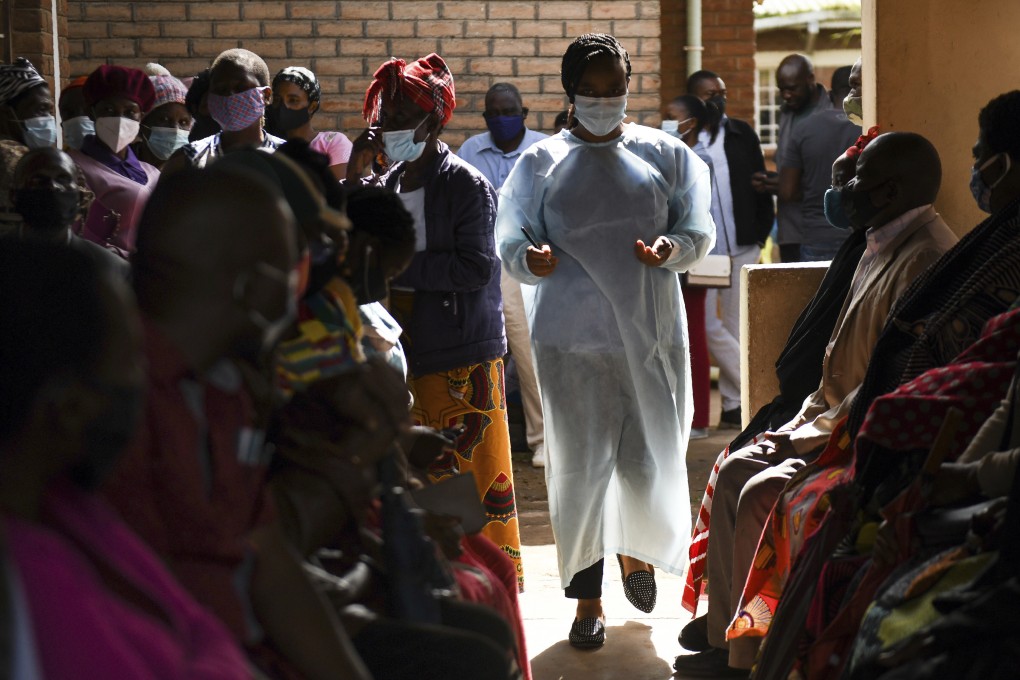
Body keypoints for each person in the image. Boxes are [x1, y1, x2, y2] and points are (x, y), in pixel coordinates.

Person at [674, 131, 958, 678]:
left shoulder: (924, 257)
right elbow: (836, 362)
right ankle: (722, 638)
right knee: (735, 468)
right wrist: (802, 420)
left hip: (860, 435)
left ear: (890, 189)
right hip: (824, 418)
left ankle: (748, 656)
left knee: (760, 492)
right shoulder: (880, 242)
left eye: (856, 177)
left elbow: (888, 378)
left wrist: (808, 433)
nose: (845, 187)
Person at [102, 165, 373, 680]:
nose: (300, 285)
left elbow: (270, 562)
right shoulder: (117, 411)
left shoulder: (222, 388)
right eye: (287, 266)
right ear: (252, 286)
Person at [496, 33, 714, 648]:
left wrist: (673, 248)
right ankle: (585, 601)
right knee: (581, 472)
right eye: (589, 91)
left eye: (612, 87)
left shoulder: (665, 156)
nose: (602, 99)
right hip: (571, 341)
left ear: (627, 85)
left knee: (645, 462)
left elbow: (697, 228)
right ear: (570, 93)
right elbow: (512, 236)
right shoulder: (541, 163)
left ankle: (636, 555)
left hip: (646, 334)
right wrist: (528, 257)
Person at [0, 240, 251, 679]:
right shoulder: (31, 580)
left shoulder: (68, 506)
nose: (146, 380)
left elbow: (196, 622)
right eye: (133, 360)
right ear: (69, 407)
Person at [347, 52, 524, 589]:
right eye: (384, 116)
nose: (387, 127)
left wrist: (400, 270)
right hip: (403, 353)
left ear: (433, 121)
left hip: (461, 356)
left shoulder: (467, 186)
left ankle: (496, 589)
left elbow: (474, 268)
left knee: (478, 484)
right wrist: (355, 176)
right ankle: (444, 587)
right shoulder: (386, 183)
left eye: (400, 118)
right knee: (424, 483)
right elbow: (351, 243)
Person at [458, 82, 549, 467]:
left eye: (508, 111)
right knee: (479, 351)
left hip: (526, 263)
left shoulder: (544, 149)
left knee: (528, 354)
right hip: (479, 261)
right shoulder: (470, 151)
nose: (501, 119)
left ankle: (543, 441)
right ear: (484, 118)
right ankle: (473, 441)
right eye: (492, 113)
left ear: (524, 114)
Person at [687, 69, 774, 428]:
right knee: (708, 326)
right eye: (710, 95)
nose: (718, 100)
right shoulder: (686, 140)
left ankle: (736, 406)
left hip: (742, 244)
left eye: (722, 92)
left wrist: (761, 233)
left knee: (739, 326)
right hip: (706, 250)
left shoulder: (742, 134)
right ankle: (762, 390)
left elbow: (759, 182)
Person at [775, 55, 861, 262]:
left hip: (815, 236)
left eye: (792, 88)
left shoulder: (804, 129)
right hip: (857, 233)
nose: (786, 95)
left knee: (814, 294)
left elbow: (787, 191)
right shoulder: (867, 129)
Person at [662, 94, 714, 440]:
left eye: (671, 116)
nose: (665, 122)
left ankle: (699, 419)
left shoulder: (699, 160)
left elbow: (712, 218)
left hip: (693, 257)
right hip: (667, 256)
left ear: (689, 123)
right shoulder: (667, 156)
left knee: (693, 335)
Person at [69, 65, 160, 257]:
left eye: (129, 112)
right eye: (109, 110)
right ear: (92, 112)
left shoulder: (151, 172)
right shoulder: (73, 167)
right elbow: (77, 235)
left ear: (141, 116)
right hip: (102, 274)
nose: (119, 119)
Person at [753, 55, 835, 262]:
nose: (786, 95)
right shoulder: (788, 112)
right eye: (781, 89)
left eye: (792, 88)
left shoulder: (833, 113)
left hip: (822, 231)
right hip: (789, 230)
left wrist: (790, 186)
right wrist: (772, 181)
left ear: (810, 79)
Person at [10, 147, 127, 276]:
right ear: (14, 196)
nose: (52, 187)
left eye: (63, 179)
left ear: (80, 197)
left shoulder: (110, 269)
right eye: (38, 181)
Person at [163, 49, 283, 173]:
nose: (230, 96)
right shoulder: (187, 160)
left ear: (266, 95)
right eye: (221, 89)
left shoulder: (290, 159)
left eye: (240, 87)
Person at [0, 58, 56, 237]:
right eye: (41, 110)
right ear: (6, 113)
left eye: (50, 111)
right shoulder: (13, 159)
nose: (49, 119)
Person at [267, 66, 352, 179]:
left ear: (312, 107)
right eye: (277, 100)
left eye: (293, 100)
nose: (284, 107)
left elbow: (339, 191)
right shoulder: (268, 146)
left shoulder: (333, 143)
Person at [134, 64, 192, 169]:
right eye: (164, 119)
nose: (175, 129)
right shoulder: (122, 168)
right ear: (141, 123)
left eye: (183, 122)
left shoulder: (192, 171)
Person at [58, 75, 93, 150]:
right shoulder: (55, 161)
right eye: (69, 113)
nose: (78, 119)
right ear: (62, 124)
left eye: (87, 111)